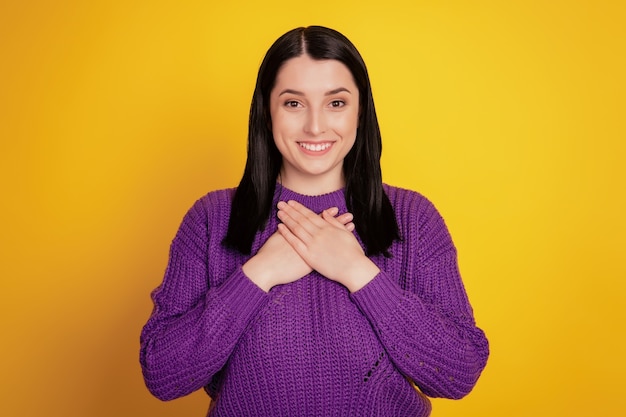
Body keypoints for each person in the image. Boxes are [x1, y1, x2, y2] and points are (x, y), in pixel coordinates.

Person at [140, 26, 489, 417]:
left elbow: (459, 373)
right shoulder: (211, 219)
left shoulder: (413, 218)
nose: (315, 126)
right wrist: (258, 274)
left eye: (336, 103)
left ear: (361, 110)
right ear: (266, 111)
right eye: (293, 103)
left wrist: (358, 272)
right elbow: (162, 374)